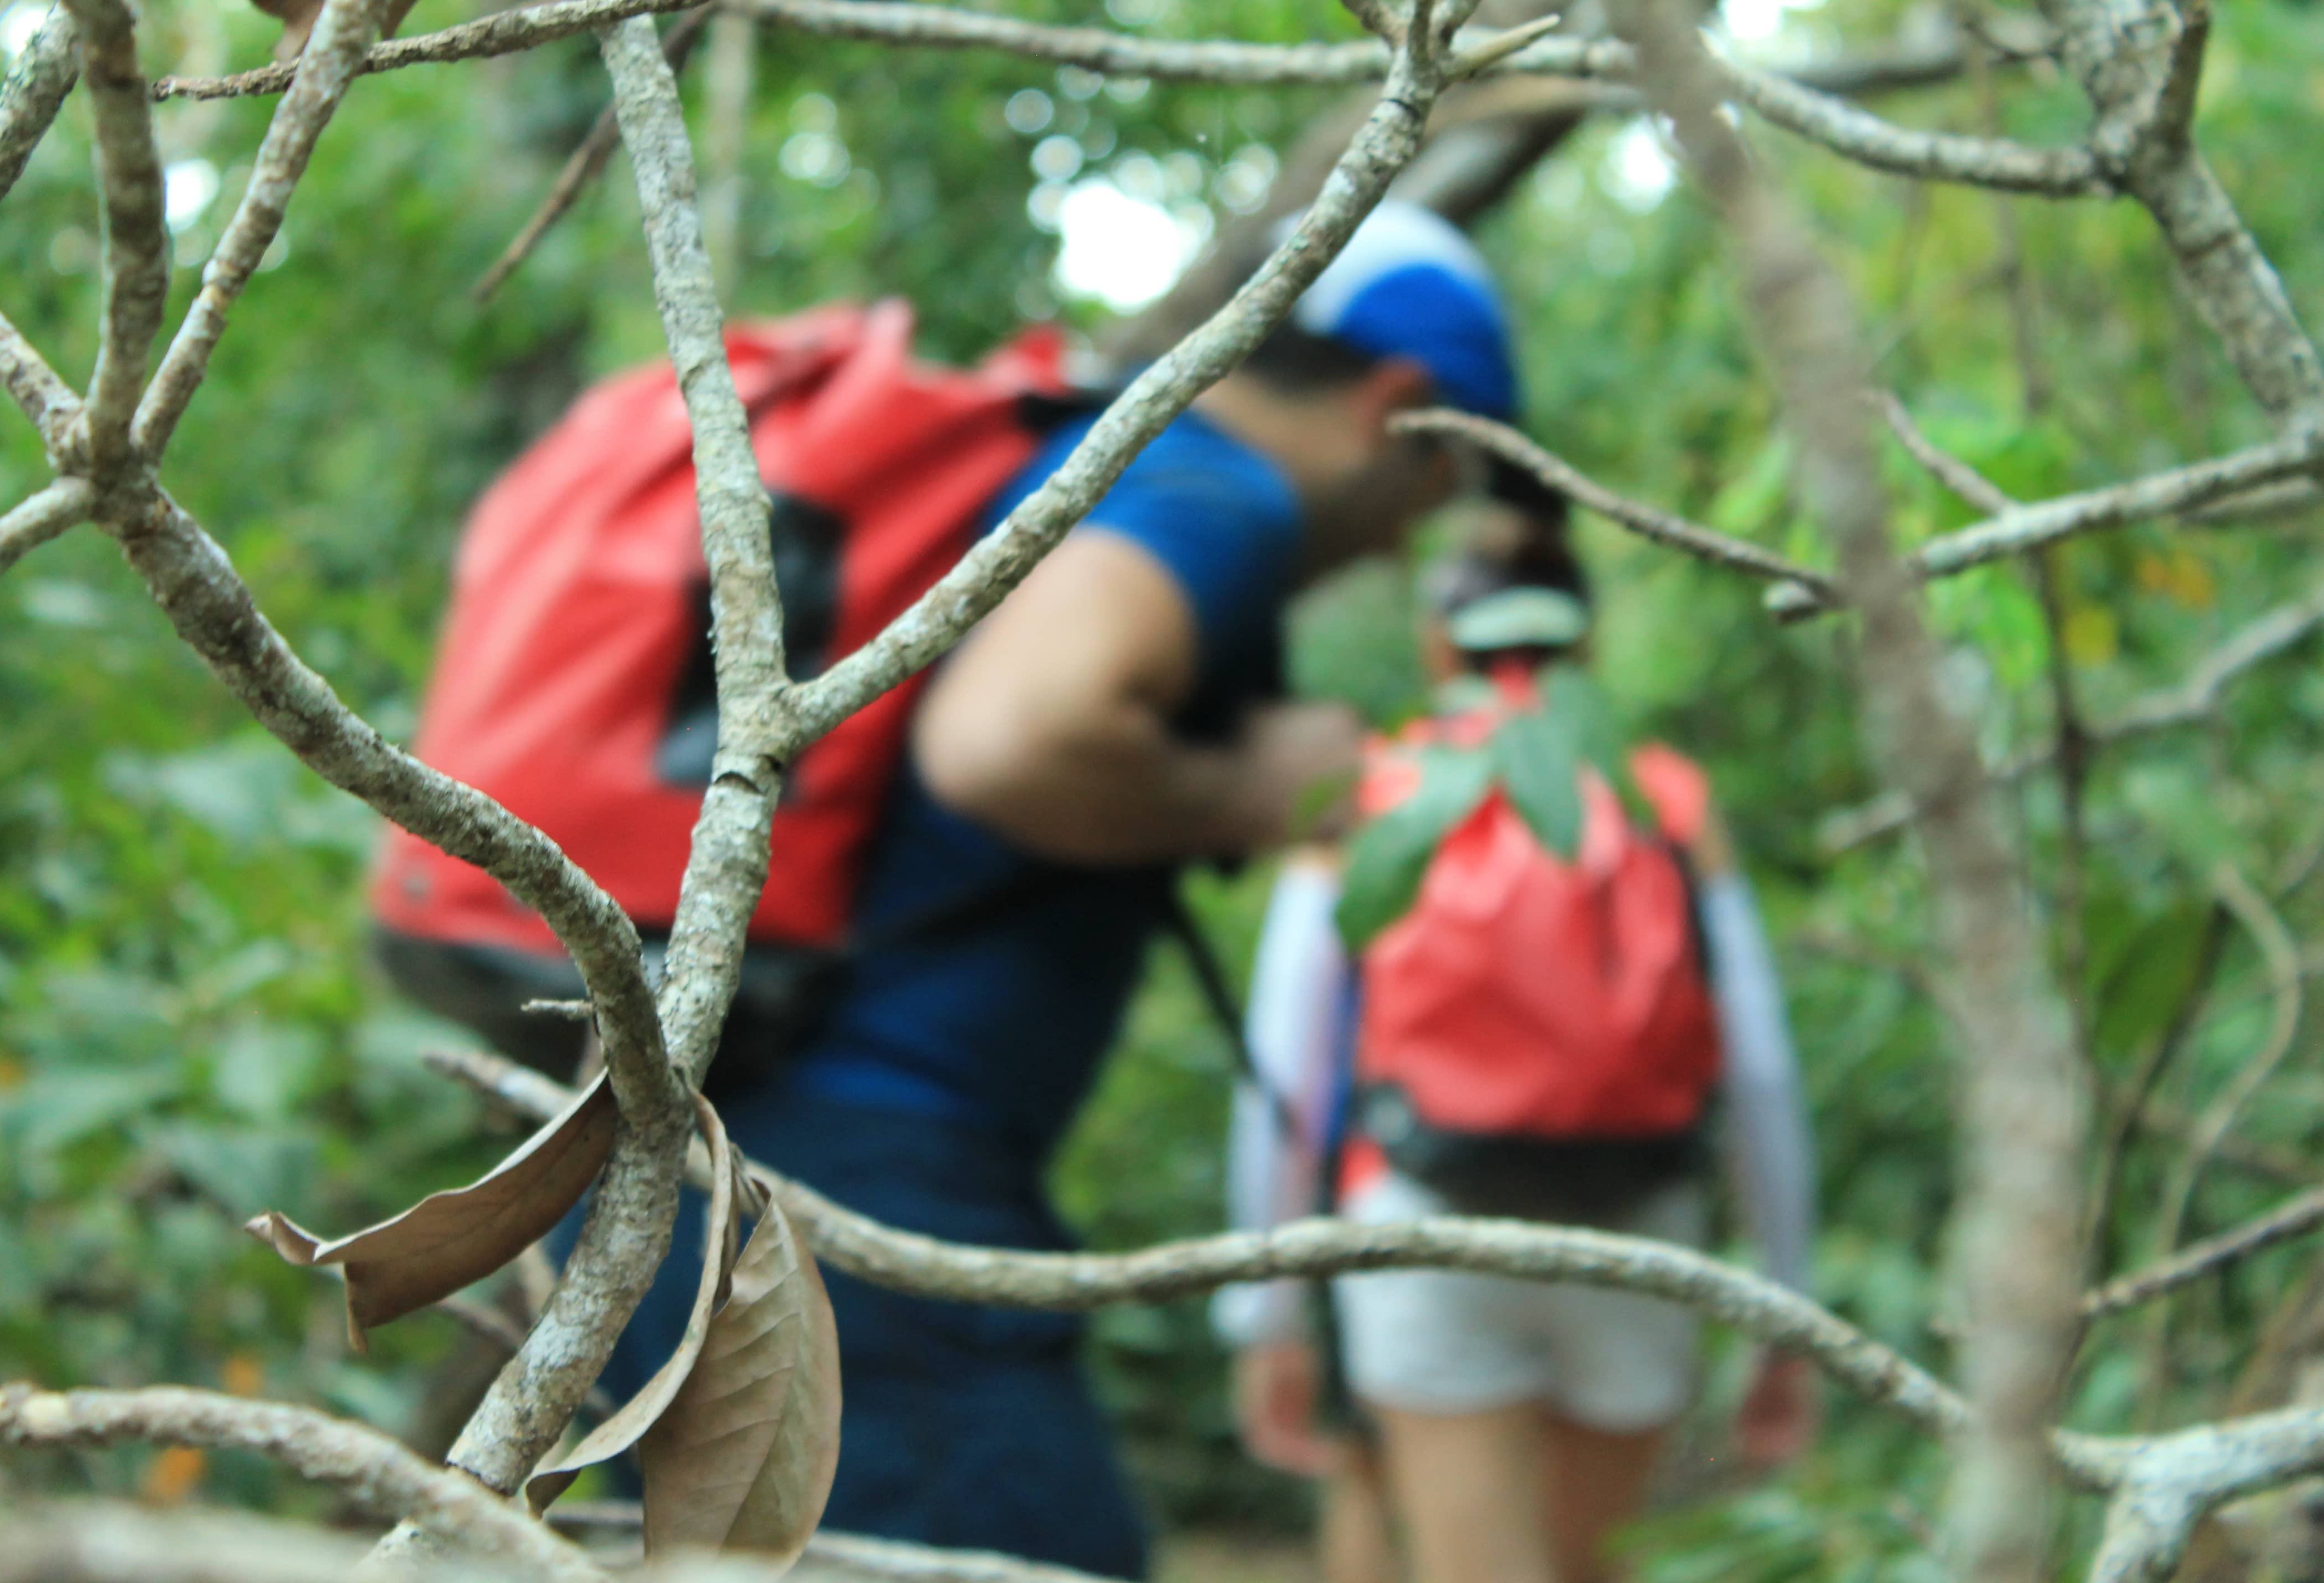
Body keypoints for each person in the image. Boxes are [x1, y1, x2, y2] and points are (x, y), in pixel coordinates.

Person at [375, 203, 1529, 1577]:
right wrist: (1250, 788)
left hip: (681, 1169)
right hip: (848, 1197)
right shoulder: (1211, 487)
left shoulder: (1073, 462)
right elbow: (1012, 738)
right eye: (1432, 494)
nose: (1403, 547)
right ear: (1399, 410)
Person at [1215, 520, 1820, 1583]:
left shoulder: (1375, 793)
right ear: (1586, 647)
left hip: (1424, 1236)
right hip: (1641, 1235)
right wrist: (1787, 1305)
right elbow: (1761, 1072)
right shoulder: (1667, 797)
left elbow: (1288, 1081)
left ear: (1439, 647)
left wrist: (1265, 1313)